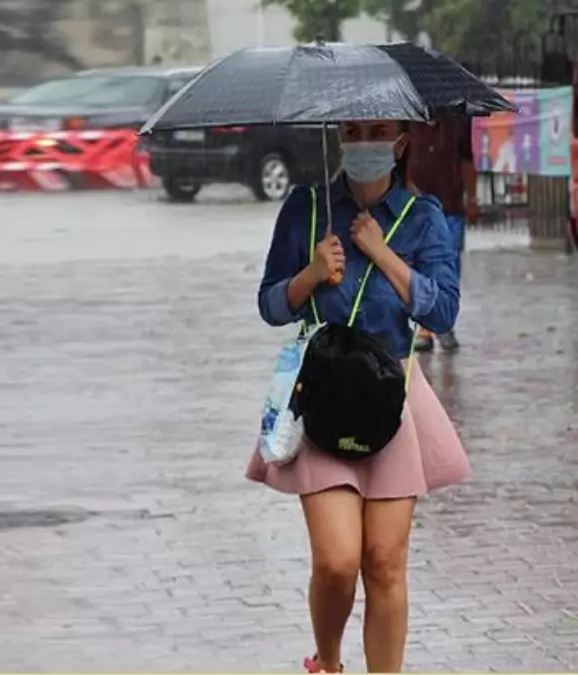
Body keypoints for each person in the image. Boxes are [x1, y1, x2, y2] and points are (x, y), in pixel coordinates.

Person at [246, 120, 470, 674]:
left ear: (399, 143)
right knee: (338, 562)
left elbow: (441, 313)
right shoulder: (307, 209)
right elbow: (271, 305)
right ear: (339, 138)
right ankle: (327, 661)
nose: (364, 141)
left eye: (378, 130)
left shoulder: (424, 217)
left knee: (386, 563)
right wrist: (310, 275)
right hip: (323, 393)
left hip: (392, 396)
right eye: (353, 129)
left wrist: (384, 255)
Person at [406, 117, 477, 352]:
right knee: (420, 267)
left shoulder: (457, 121)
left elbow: (467, 160)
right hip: (416, 208)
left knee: (448, 266)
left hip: (450, 206)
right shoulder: (408, 120)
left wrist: (473, 198)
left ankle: (445, 325)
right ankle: (425, 328)